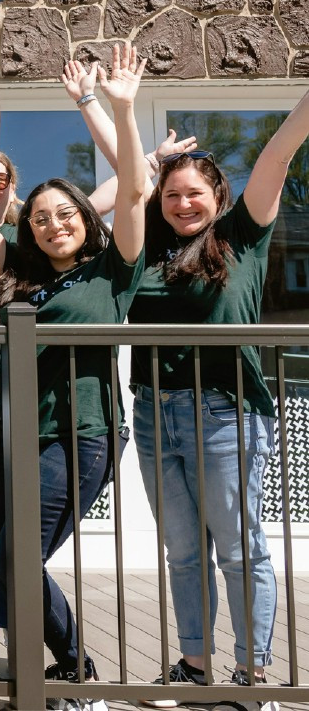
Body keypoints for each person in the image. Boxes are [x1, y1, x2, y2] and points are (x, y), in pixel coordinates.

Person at [0, 44, 149, 711]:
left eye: (65, 215)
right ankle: (60, 673)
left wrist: (114, 107)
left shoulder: (111, 269)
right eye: (40, 218)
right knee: (5, 562)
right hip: (15, 436)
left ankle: (74, 671)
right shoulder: (18, 272)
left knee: (15, 560)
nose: (53, 224)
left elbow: (138, 186)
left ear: (86, 222)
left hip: (78, 434)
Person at [127, 93, 309, 708]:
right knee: (183, 552)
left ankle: (251, 677)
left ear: (219, 197)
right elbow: (120, 193)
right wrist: (148, 165)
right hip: (154, 411)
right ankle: (194, 665)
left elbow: (280, 155)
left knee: (238, 549)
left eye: (193, 194)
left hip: (226, 411)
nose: (182, 204)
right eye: (172, 194)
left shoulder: (242, 235)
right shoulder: (149, 242)